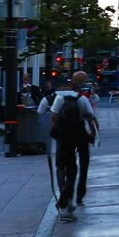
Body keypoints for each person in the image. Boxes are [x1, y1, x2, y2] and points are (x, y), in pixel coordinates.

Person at [38, 73, 98, 221]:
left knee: (61, 167)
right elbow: (90, 117)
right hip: (79, 139)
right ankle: (70, 200)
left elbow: (52, 118)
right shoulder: (82, 99)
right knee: (73, 170)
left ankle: (64, 199)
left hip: (62, 140)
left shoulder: (59, 98)